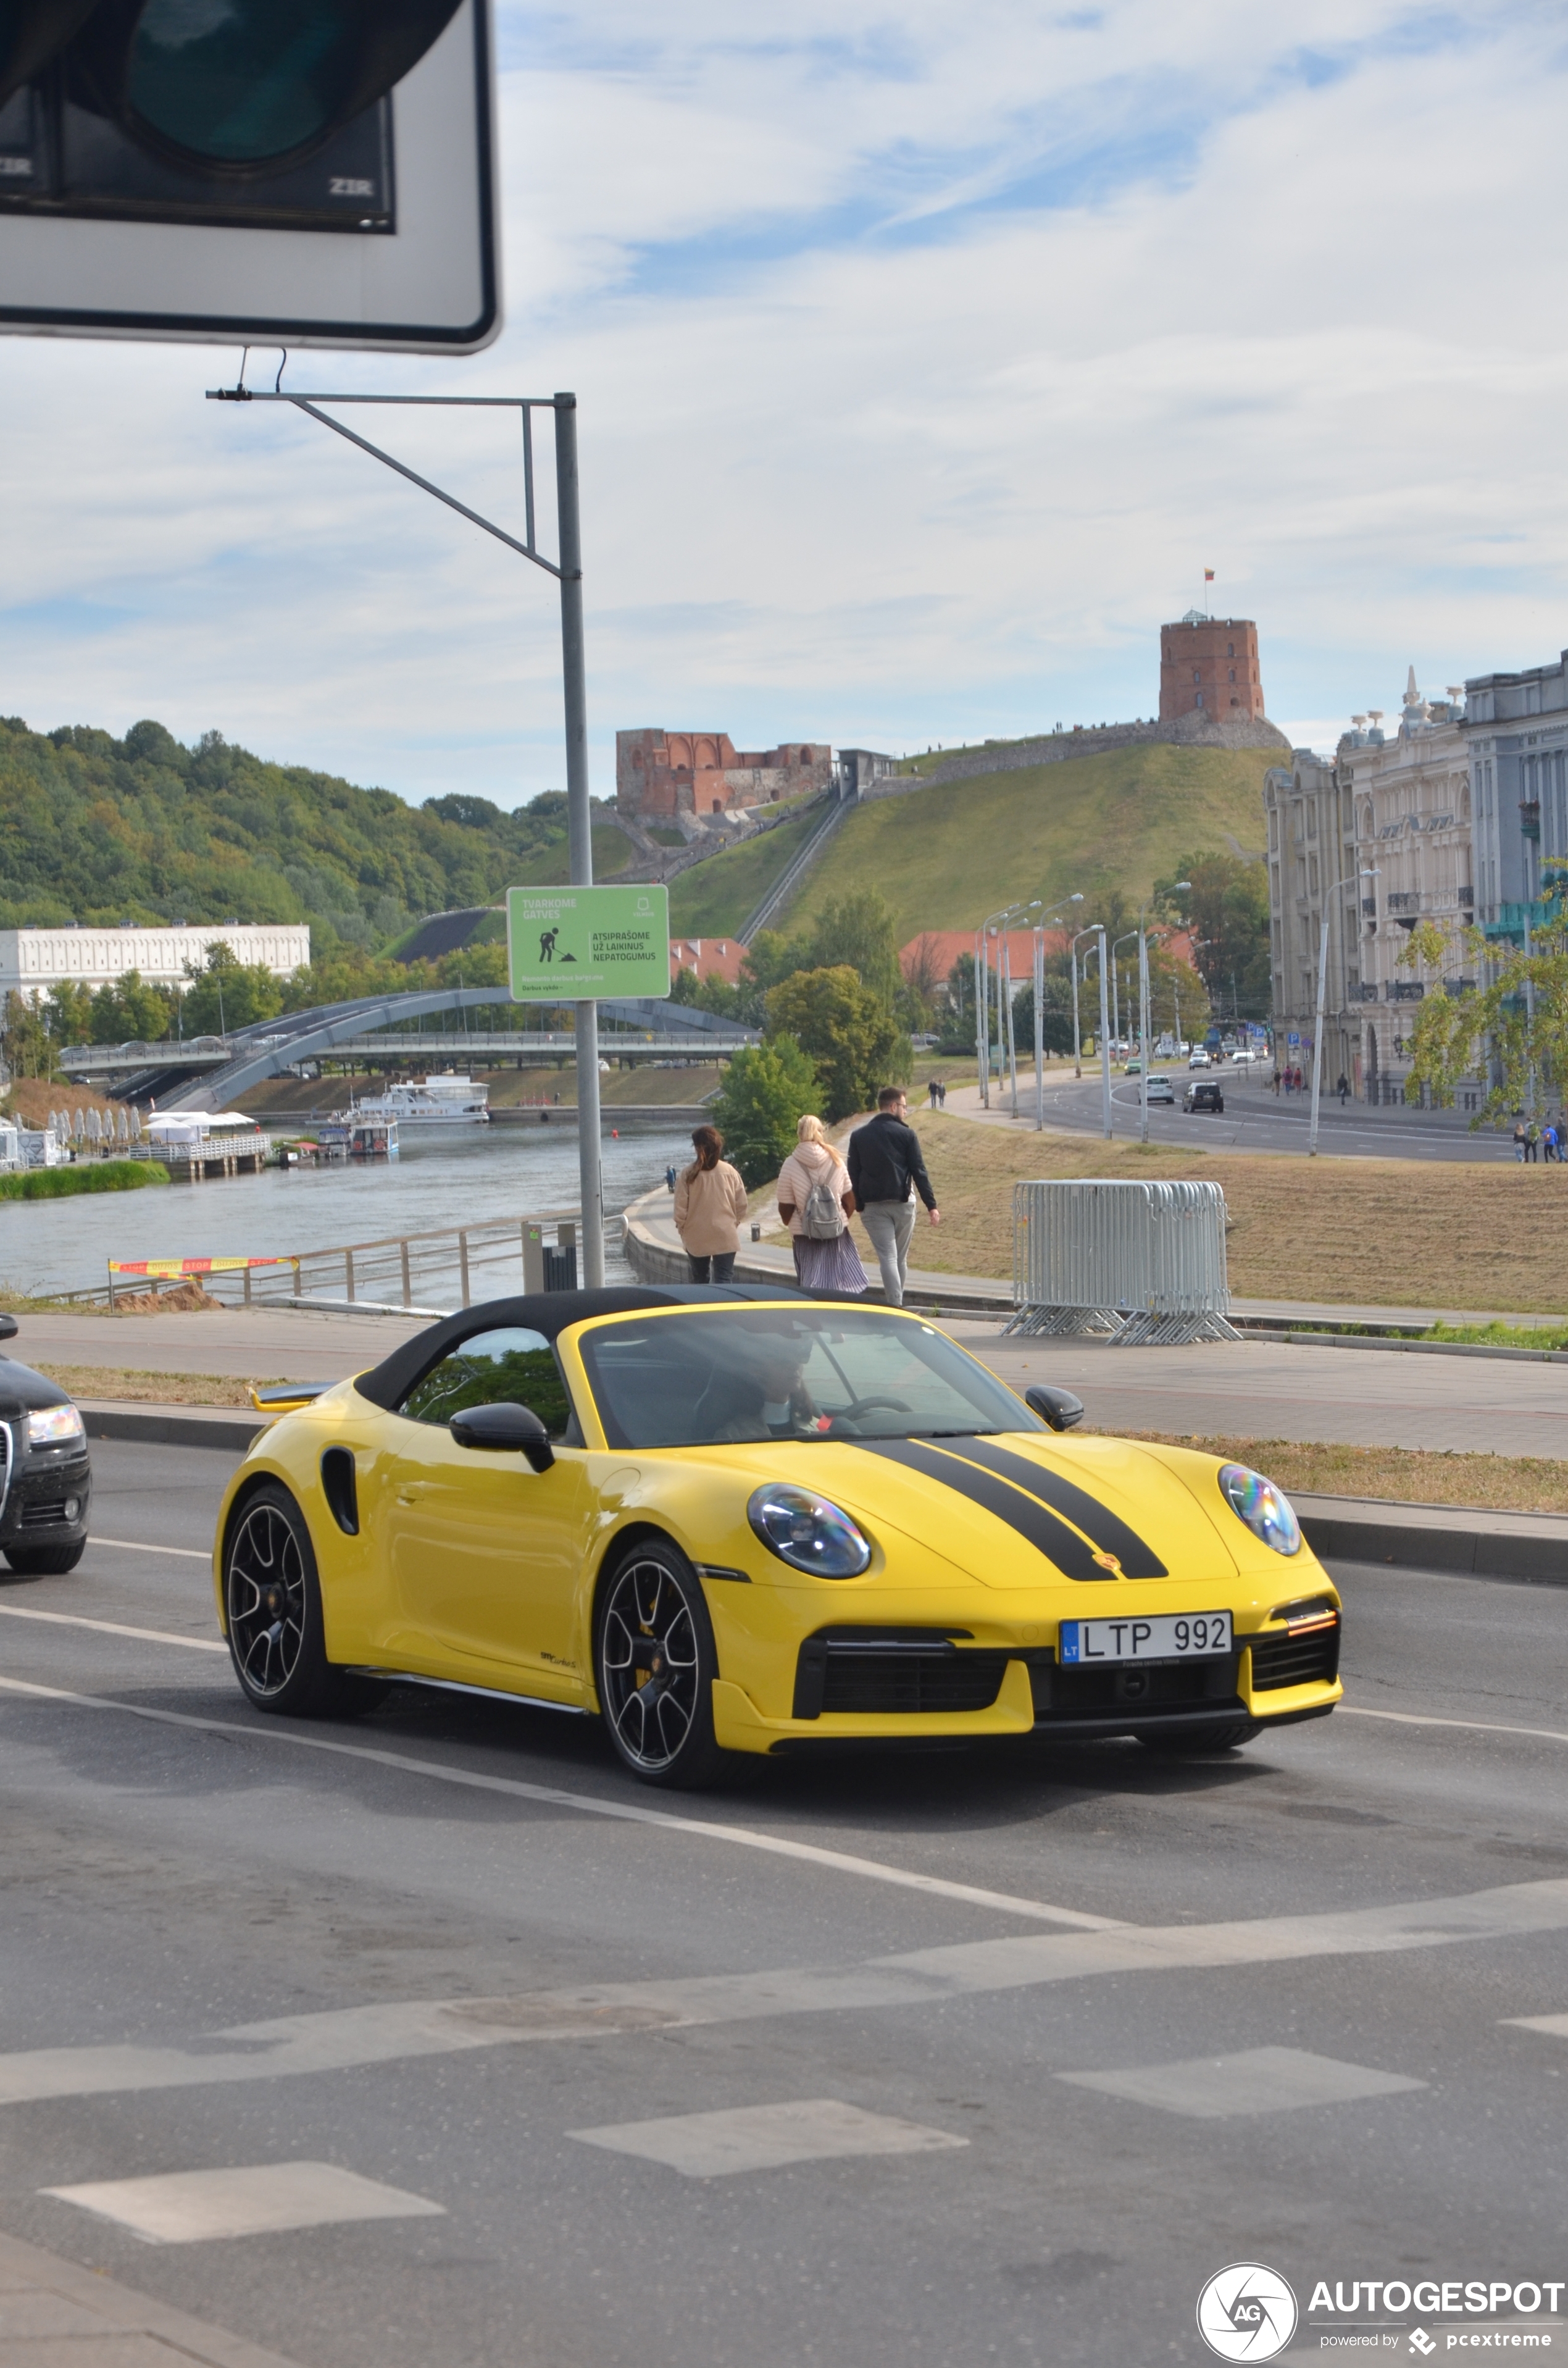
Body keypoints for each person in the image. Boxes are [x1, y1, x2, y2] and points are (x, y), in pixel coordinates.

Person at [847, 1086, 940, 1307]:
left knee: (887, 1257)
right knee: (900, 1258)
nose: (905, 1111)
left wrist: (858, 1205)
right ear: (893, 1106)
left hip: (873, 1207)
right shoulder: (907, 1135)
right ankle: (897, 1305)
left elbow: (852, 1173)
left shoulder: (859, 1136)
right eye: (904, 1107)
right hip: (904, 1203)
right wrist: (931, 1205)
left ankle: (895, 1306)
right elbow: (919, 1171)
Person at [777, 1115, 867, 1295]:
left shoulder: (790, 1164)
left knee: (810, 1285)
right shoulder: (836, 1160)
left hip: (805, 1234)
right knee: (839, 1284)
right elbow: (849, 1202)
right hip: (836, 1234)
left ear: (799, 1134)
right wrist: (834, 1219)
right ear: (821, 1132)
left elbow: (785, 1211)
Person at [672, 1123, 748, 1282]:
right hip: (725, 1233)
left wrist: (683, 1231)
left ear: (696, 1147)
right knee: (724, 1279)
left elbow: (680, 1211)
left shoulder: (687, 1174)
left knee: (700, 1280)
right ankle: (725, 1307)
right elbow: (742, 1205)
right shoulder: (730, 1172)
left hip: (696, 1235)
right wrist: (734, 1223)